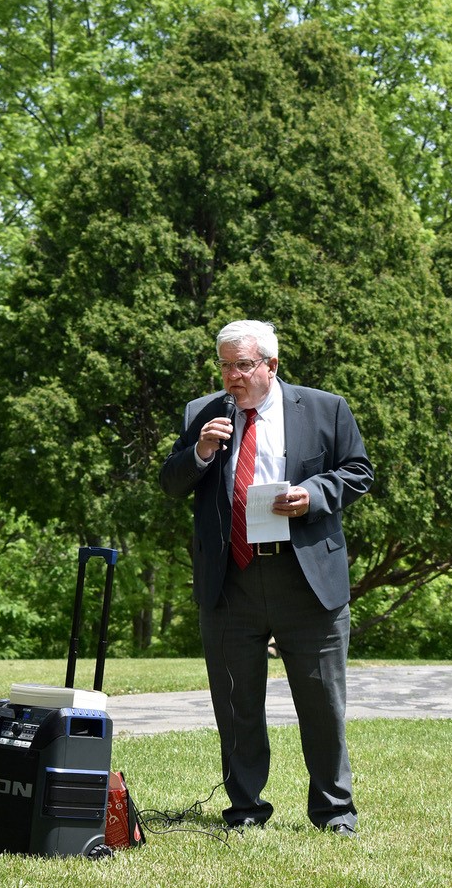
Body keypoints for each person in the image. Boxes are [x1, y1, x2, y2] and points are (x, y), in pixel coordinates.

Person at [159, 319, 374, 835]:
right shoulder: (203, 413)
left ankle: (334, 812)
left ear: (271, 366)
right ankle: (245, 811)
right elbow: (170, 481)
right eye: (225, 366)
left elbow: (358, 472)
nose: (232, 376)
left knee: (322, 703)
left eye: (243, 365)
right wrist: (201, 453)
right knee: (237, 705)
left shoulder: (325, 408)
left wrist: (314, 495)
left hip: (305, 577)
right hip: (230, 579)